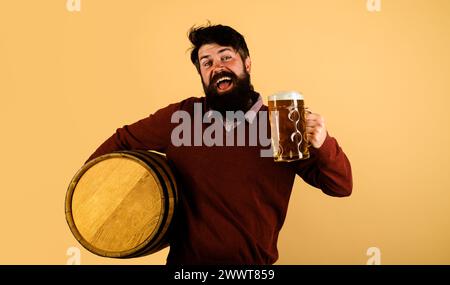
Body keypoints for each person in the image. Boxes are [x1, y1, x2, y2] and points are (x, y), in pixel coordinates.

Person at [86, 24, 353, 265]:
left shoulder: (282, 125)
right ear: (201, 74)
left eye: (226, 57)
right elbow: (122, 141)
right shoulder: (180, 118)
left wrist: (324, 144)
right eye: (207, 63)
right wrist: (91, 194)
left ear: (247, 63)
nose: (217, 67)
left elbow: (340, 186)